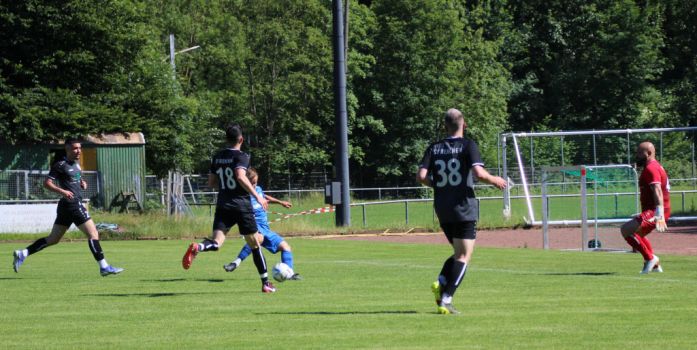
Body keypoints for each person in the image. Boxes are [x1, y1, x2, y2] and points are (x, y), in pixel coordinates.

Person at [416, 108, 507, 315]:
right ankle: (446, 298)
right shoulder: (468, 145)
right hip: (463, 207)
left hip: (442, 208)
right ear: (464, 125)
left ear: (445, 126)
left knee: (458, 253)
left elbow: (421, 176)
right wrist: (495, 180)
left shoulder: (434, 147)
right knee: (464, 255)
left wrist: (439, 185)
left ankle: (441, 281)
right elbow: (478, 173)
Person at [181, 123, 276, 293]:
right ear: (241, 139)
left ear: (226, 139)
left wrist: (226, 185)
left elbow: (211, 183)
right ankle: (266, 283)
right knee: (255, 245)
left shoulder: (217, 157)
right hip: (241, 205)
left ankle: (199, 247)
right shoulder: (242, 156)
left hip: (223, 204)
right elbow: (240, 176)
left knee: (216, 242)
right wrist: (257, 196)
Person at [12, 138, 123, 276]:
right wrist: (62, 191)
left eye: (80, 148)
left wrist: (82, 182)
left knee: (53, 239)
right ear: (68, 149)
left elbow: (76, 178)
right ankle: (104, 267)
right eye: (75, 148)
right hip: (72, 204)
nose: (79, 151)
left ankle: (23, 253)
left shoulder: (76, 165)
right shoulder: (60, 165)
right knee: (93, 234)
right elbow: (47, 183)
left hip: (66, 207)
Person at [223, 168, 301, 280]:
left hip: (266, 228)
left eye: (256, 182)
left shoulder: (258, 189)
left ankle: (289, 273)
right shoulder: (243, 195)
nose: (255, 185)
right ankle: (235, 263)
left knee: (285, 247)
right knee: (256, 240)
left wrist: (280, 202)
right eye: (252, 182)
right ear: (246, 181)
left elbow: (264, 196)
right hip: (254, 226)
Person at [620, 141, 670, 274]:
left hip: (655, 211)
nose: (637, 156)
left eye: (639, 153)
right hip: (653, 210)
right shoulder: (653, 166)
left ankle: (650, 259)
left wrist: (659, 213)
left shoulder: (651, 168)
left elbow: (657, 189)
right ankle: (655, 265)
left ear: (648, 153)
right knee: (639, 235)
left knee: (626, 230)